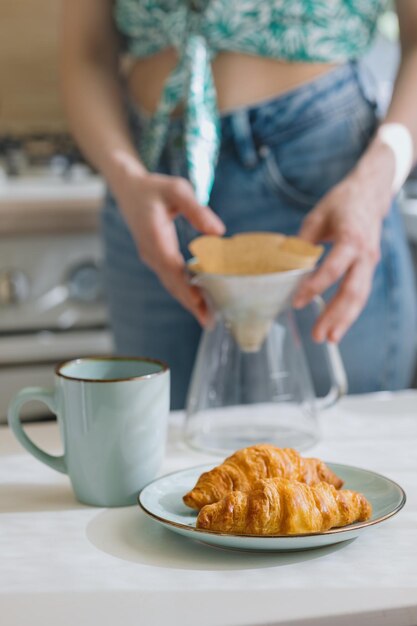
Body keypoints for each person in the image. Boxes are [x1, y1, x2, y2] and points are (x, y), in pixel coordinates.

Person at [61, 1, 417, 409]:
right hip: (146, 184)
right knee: (160, 452)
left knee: (336, 446)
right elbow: (87, 52)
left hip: (319, 177)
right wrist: (126, 179)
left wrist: (378, 177)